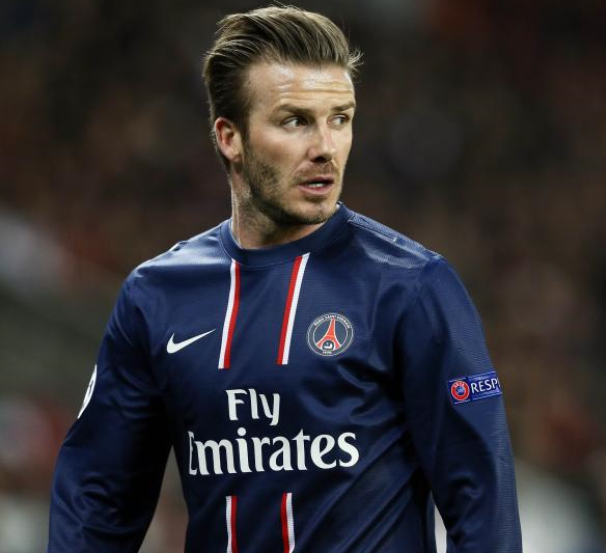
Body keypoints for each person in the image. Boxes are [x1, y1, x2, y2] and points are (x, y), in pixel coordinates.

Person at [48, 6, 522, 552]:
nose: (325, 146)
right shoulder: (155, 298)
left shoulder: (413, 288)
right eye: (295, 121)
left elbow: (482, 506)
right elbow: (96, 501)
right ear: (230, 137)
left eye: (340, 118)